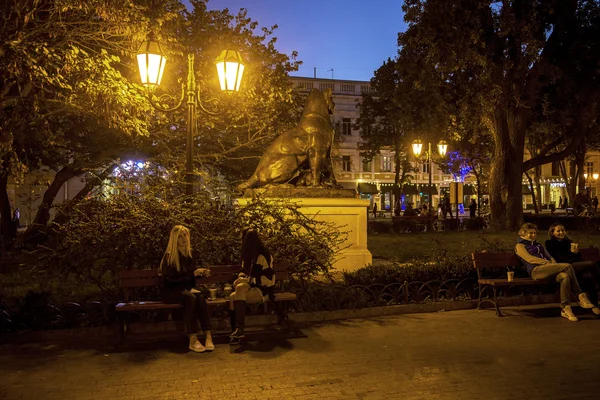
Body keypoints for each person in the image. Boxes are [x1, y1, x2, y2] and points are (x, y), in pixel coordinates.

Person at [514, 223, 597, 322]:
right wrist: (547, 263)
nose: (533, 235)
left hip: (548, 269)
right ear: (522, 234)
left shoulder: (539, 245)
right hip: (536, 271)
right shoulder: (520, 245)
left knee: (564, 276)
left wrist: (552, 264)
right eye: (530, 233)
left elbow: (551, 257)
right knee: (567, 266)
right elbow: (529, 259)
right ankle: (580, 296)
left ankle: (565, 308)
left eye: (535, 233)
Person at [160, 225, 214, 353]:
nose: (183, 239)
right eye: (179, 236)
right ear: (174, 239)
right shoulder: (170, 257)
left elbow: (190, 279)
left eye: (185, 235)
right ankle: (193, 339)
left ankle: (208, 335)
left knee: (199, 297)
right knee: (190, 297)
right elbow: (169, 282)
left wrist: (199, 274)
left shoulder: (191, 254)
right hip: (170, 292)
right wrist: (193, 275)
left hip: (185, 290)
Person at [229, 228, 276, 344]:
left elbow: (269, 280)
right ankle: (237, 331)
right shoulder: (248, 255)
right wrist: (240, 278)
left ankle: (238, 331)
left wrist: (247, 279)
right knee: (236, 291)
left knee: (233, 296)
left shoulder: (264, 255)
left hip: (263, 289)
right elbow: (243, 271)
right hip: (251, 284)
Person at [545, 223, 600, 315]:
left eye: (562, 230)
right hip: (565, 267)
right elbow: (560, 259)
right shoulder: (550, 243)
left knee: (589, 278)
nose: (561, 232)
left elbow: (577, 258)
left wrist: (575, 252)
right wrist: (571, 256)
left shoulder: (568, 242)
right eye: (558, 231)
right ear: (552, 233)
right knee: (592, 264)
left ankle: (594, 306)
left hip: (575, 266)